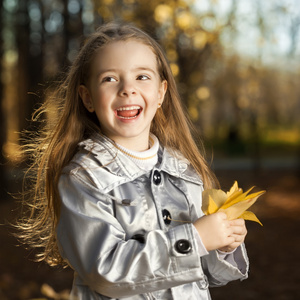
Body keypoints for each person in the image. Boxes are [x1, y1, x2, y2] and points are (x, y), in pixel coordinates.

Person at [18, 22, 249, 299]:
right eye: (110, 79)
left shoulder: (184, 170)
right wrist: (194, 238)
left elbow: (205, 272)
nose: (127, 89)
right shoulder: (84, 178)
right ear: (87, 98)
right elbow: (106, 272)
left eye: (142, 77)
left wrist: (223, 244)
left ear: (161, 93)